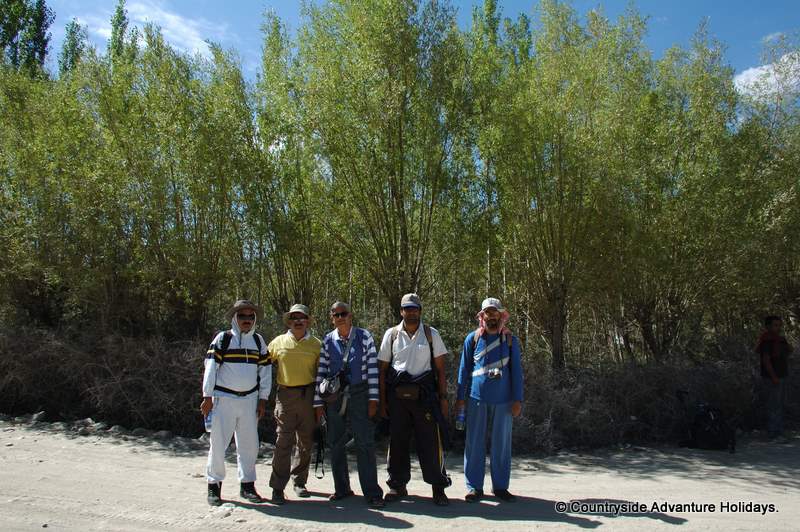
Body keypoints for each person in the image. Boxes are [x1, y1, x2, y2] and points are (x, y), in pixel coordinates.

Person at [378, 293, 451, 506]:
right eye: (407, 309)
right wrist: (382, 402)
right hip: (397, 399)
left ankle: (438, 487)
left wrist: (443, 398)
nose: (411, 312)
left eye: (415, 308)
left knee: (430, 443)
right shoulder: (391, 335)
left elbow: (440, 369)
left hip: (425, 398)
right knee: (398, 441)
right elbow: (382, 371)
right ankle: (397, 485)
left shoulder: (431, 334)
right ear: (401, 311)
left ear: (420, 310)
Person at [313, 301, 384, 507]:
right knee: (336, 442)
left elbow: (372, 369)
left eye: (343, 313)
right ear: (331, 318)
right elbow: (322, 372)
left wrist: (373, 399)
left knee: (365, 442)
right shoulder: (328, 340)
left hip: (360, 393)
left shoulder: (364, 337)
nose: (340, 317)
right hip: (335, 397)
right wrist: (318, 403)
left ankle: (372, 492)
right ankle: (342, 489)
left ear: (350, 315)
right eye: (336, 315)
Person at [201, 299, 271, 506]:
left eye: (251, 316)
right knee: (218, 444)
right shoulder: (223, 339)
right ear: (234, 318)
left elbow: (265, 372)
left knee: (249, 445)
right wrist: (207, 397)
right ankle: (214, 486)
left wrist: (263, 399)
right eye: (242, 316)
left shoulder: (258, 341)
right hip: (224, 400)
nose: (247, 320)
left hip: (250, 400)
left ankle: (247, 486)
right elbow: (211, 367)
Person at [456, 298, 523, 503]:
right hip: (476, 400)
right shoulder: (473, 339)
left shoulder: (511, 341)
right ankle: (474, 487)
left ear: (501, 315)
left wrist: (517, 399)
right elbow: (464, 370)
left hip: (504, 402)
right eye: (488, 313)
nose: (491, 316)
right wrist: (460, 398)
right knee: (474, 443)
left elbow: (517, 373)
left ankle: (500, 487)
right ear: (482, 316)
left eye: (495, 313)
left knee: (501, 445)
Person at [267, 304, 321, 504]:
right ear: (289, 321)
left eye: (302, 317)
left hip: (308, 396)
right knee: (283, 442)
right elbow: (263, 365)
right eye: (294, 318)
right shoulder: (278, 342)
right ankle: (277, 488)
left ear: (308, 321)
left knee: (305, 442)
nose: (298, 321)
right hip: (285, 397)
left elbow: (322, 374)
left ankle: (299, 482)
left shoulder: (317, 344)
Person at [755, 315, 793, 441]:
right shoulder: (766, 340)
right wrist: (773, 376)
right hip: (772, 377)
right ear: (768, 326)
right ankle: (773, 433)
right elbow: (766, 360)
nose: (778, 327)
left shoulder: (780, 340)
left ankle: (779, 431)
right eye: (775, 325)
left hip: (782, 375)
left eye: (779, 325)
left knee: (780, 404)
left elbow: (788, 352)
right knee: (773, 405)